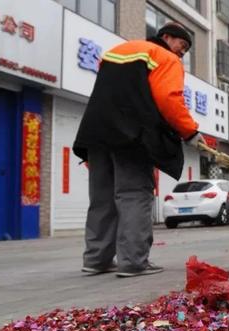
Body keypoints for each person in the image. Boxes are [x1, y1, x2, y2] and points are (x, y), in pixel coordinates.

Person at [73, 22, 204, 277]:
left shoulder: (117, 51)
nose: (182, 54)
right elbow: (168, 98)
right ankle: (133, 262)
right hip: (131, 136)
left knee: (102, 198)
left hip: (97, 132)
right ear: (166, 37)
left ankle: (96, 260)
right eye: (182, 46)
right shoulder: (164, 57)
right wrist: (190, 131)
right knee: (134, 194)